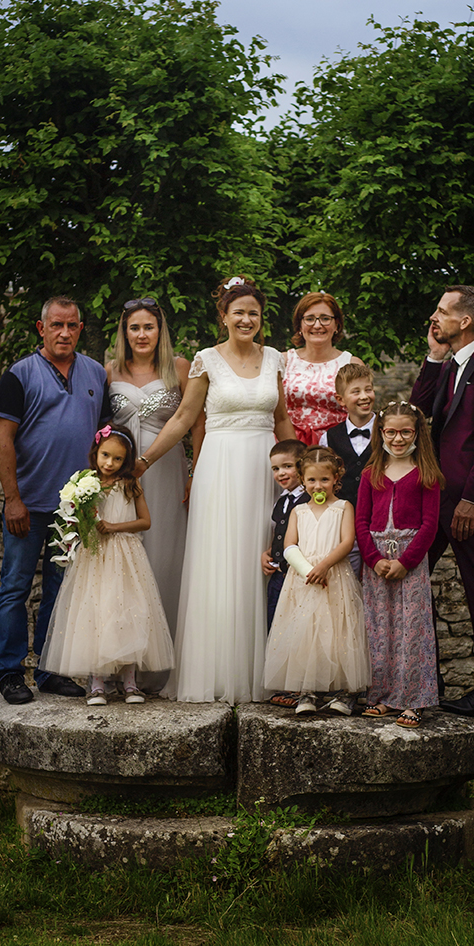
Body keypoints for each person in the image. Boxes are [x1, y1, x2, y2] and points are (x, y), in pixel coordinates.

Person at [135, 275, 296, 703]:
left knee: (263, 558)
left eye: (254, 313)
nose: (247, 319)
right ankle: (216, 673)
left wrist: (298, 466)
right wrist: (145, 459)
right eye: (238, 312)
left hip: (264, 467)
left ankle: (265, 671)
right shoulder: (206, 360)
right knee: (219, 565)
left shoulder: (276, 359)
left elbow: (281, 420)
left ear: (262, 319)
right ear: (223, 316)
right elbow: (184, 419)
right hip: (219, 469)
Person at [0, 296, 111, 705]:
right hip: (29, 503)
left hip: (73, 511)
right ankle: (8, 672)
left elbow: (104, 439)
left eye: (72, 325)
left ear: (80, 328)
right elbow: (2, 439)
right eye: (56, 325)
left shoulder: (95, 372)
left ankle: (49, 670)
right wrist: (12, 500)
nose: (64, 333)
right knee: (15, 589)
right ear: (41, 329)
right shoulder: (20, 375)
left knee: (61, 593)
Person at [410, 285, 474, 719]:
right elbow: (415, 411)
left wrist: (472, 498)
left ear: (464, 321)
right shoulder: (448, 364)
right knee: (411, 587)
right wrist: (433, 357)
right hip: (433, 497)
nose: (434, 318)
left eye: (441, 312)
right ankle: (417, 682)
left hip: (468, 503)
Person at [39, 426, 173, 705]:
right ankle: (97, 684)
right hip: (95, 557)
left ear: (127, 460)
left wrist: (114, 526)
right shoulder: (84, 484)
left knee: (127, 613)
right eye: (105, 456)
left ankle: (130, 683)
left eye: (117, 459)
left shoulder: (130, 484)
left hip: (125, 555)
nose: (109, 463)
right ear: (95, 453)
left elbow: (145, 521)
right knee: (95, 615)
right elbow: (79, 520)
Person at [107, 296, 204, 670]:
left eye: (149, 326)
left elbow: (196, 423)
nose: (142, 334)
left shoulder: (180, 368)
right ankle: (120, 659)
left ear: (160, 330)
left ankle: (162, 662)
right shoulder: (109, 371)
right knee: (122, 558)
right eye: (134, 327)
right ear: (125, 332)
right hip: (119, 477)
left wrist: (195, 472)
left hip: (166, 472)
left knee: (163, 554)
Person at [264, 447, 370, 715]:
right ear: (302, 479)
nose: (317, 485)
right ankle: (307, 691)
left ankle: (342, 693)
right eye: (311, 480)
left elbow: (347, 542)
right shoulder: (299, 510)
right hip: (304, 579)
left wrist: (324, 566)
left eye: (324, 479)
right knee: (305, 633)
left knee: (337, 632)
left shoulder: (343, 507)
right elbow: (289, 545)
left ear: (336, 478)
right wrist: (307, 570)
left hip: (335, 576)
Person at [355, 403, 442, 727]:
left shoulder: (427, 475)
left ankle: (413, 700)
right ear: (381, 433)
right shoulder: (371, 474)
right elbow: (361, 522)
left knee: (412, 631)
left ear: (417, 432)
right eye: (391, 431)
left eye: (406, 431)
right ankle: (380, 696)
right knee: (377, 630)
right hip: (376, 561)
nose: (398, 438)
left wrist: (405, 562)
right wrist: (374, 559)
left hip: (411, 562)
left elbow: (430, 525)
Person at [261, 440, 308, 708]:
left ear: (301, 466)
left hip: (298, 576)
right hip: (278, 574)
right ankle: (284, 684)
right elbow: (279, 534)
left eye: (287, 466)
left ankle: (300, 686)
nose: (280, 473)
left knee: (298, 627)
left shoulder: (307, 498)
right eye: (276, 468)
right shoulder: (282, 501)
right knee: (276, 626)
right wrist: (267, 552)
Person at [283, 292, 365, 445]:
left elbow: (361, 414)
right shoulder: (283, 361)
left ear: (337, 325)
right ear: (299, 325)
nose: (317, 325)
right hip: (290, 446)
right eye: (309, 319)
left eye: (325, 318)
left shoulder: (351, 364)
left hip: (337, 447)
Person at [319, 362, 377, 575]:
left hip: (379, 520)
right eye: (356, 391)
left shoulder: (387, 430)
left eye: (368, 389)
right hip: (344, 525)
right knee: (347, 579)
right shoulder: (329, 437)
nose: (364, 396)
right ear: (340, 400)